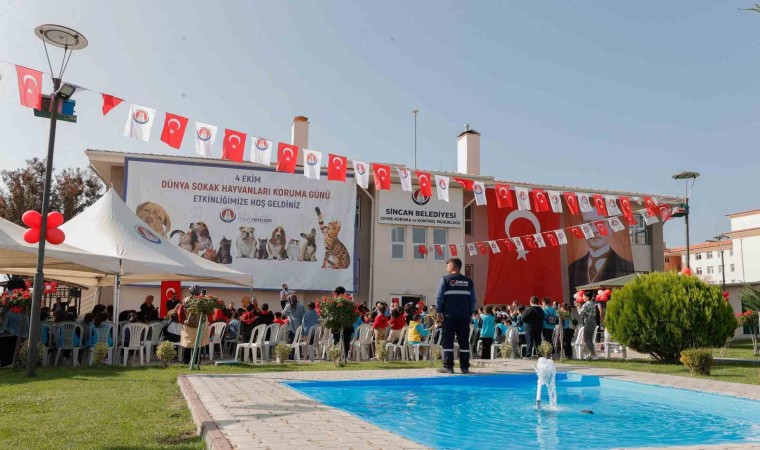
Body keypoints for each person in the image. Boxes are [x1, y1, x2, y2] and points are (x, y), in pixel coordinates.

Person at [568, 210, 635, 292]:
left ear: (611, 229)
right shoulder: (572, 268)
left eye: (600, 224)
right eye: (588, 224)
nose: (594, 230)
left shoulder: (625, 266)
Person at [435, 257, 476, 374]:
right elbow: (473, 300)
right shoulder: (469, 282)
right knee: (464, 341)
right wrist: (469, 313)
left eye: (448, 265)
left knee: (448, 341)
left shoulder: (445, 279)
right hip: (464, 316)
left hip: (448, 316)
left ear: (452, 266)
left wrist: (439, 311)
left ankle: (448, 367)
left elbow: (439, 297)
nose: (447, 267)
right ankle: (465, 367)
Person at [579, 294, 601, 360]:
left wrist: (578, 307)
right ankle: (591, 354)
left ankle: (594, 355)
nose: (583, 297)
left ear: (587, 297)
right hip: (593, 322)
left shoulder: (586, 304)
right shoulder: (593, 304)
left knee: (586, 339)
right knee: (590, 340)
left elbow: (581, 314)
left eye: (584, 296)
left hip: (588, 322)